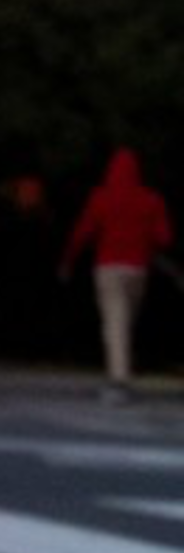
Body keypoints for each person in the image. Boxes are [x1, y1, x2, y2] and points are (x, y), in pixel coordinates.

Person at [61, 145, 174, 391]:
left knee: (115, 320)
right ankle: (120, 371)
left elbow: (83, 232)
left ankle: (119, 376)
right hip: (137, 269)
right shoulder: (150, 200)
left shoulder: (101, 197)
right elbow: (164, 238)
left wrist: (68, 260)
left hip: (108, 268)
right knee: (124, 319)